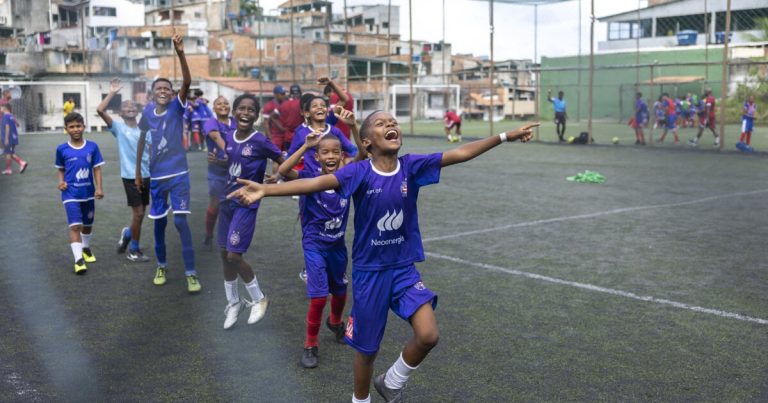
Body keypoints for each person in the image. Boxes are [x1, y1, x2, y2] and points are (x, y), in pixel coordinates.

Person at [228, 111, 537, 402]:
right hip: (369, 274)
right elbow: (315, 183)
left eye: (393, 121)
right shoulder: (359, 172)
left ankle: (391, 382)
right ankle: (359, 399)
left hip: (403, 269)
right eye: (381, 123)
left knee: (429, 334)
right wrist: (266, 190)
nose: (391, 124)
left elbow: (460, 153)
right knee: (367, 351)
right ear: (366, 142)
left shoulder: (412, 166)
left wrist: (505, 136)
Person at [278, 127, 355, 368]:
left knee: (341, 292)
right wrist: (304, 147)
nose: (331, 156)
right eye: (325, 152)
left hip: (337, 247)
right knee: (319, 297)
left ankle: (335, 322)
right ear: (317, 157)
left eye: (336, 152)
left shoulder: (347, 178)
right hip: (314, 246)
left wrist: (352, 126)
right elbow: (283, 170)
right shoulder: (308, 178)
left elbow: (362, 156)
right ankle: (310, 344)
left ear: (342, 156)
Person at [206, 93, 283, 329]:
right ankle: (233, 303)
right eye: (242, 108)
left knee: (233, 255)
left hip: (247, 204)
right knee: (222, 253)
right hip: (227, 201)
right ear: (234, 112)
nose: (246, 113)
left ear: (256, 115)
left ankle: (259, 298)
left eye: (251, 110)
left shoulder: (259, 140)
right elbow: (233, 163)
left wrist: (277, 174)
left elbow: (281, 157)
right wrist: (218, 162)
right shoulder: (229, 137)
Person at [136, 32, 202, 294]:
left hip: (179, 175)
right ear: (152, 95)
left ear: (173, 93)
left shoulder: (177, 107)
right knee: (160, 224)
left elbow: (187, 80)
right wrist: (138, 173)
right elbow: (142, 140)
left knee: (181, 223)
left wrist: (180, 53)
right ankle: (161, 265)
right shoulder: (146, 114)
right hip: (156, 177)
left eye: (167, 88)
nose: (163, 91)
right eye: (158, 89)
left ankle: (191, 273)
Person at [289, 95, 359, 282]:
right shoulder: (301, 133)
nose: (320, 108)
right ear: (305, 112)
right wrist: (278, 175)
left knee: (336, 222)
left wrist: (345, 164)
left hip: (333, 181)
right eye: (315, 105)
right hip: (310, 185)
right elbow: (289, 158)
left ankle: (335, 264)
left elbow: (352, 151)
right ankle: (310, 265)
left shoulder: (334, 131)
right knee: (310, 225)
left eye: (323, 105)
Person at [96, 78, 151, 262]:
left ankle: (128, 234)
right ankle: (134, 250)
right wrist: (112, 92)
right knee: (139, 213)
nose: (130, 107)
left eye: (133, 105)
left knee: (140, 214)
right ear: (120, 112)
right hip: (130, 176)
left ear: (138, 110)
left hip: (147, 175)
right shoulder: (118, 129)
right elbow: (100, 110)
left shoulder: (145, 130)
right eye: (125, 106)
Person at [55, 112, 105, 274]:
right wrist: (61, 182)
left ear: (84, 127)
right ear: (66, 129)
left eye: (78, 126)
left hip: (88, 193)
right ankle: (78, 260)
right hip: (70, 194)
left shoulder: (92, 147)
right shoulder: (62, 149)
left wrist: (99, 188)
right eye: (71, 127)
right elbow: (61, 169)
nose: (75, 129)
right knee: (75, 225)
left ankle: (86, 247)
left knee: (87, 226)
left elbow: (97, 168)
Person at [202, 96, 236, 248]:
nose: (223, 105)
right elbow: (215, 137)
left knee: (234, 205)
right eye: (219, 104)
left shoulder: (236, 123)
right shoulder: (211, 122)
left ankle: (230, 237)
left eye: (226, 103)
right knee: (215, 205)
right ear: (214, 108)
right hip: (217, 172)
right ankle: (209, 235)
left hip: (235, 172)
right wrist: (230, 154)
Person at [272, 84, 304, 155]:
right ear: (300, 93)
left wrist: (282, 128)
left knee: (288, 159)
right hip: (301, 135)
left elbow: (273, 116)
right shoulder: (303, 104)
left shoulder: (284, 104)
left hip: (288, 136)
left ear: (290, 93)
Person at [1, 104, 28, 175]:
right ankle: (12, 168)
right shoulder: (11, 115)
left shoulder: (6, 116)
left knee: (8, 154)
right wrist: (16, 124)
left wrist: (6, 138)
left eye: (1, 107)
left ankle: (19, 164)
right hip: (13, 137)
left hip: (9, 138)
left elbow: (7, 127)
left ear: (5, 108)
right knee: (10, 153)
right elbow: (17, 124)